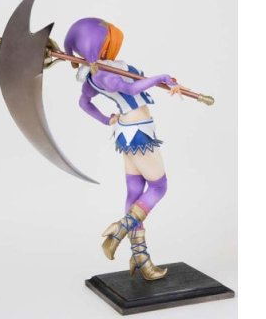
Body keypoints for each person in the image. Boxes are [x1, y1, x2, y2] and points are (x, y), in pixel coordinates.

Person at [64, 18, 183, 280]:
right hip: (138, 130)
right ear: (99, 43)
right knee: (159, 187)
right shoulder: (103, 74)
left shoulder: (97, 74)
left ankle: (141, 258)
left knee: (135, 191)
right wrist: (160, 77)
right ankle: (120, 229)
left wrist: (107, 119)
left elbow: (85, 102)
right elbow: (130, 87)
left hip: (127, 131)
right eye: (109, 39)